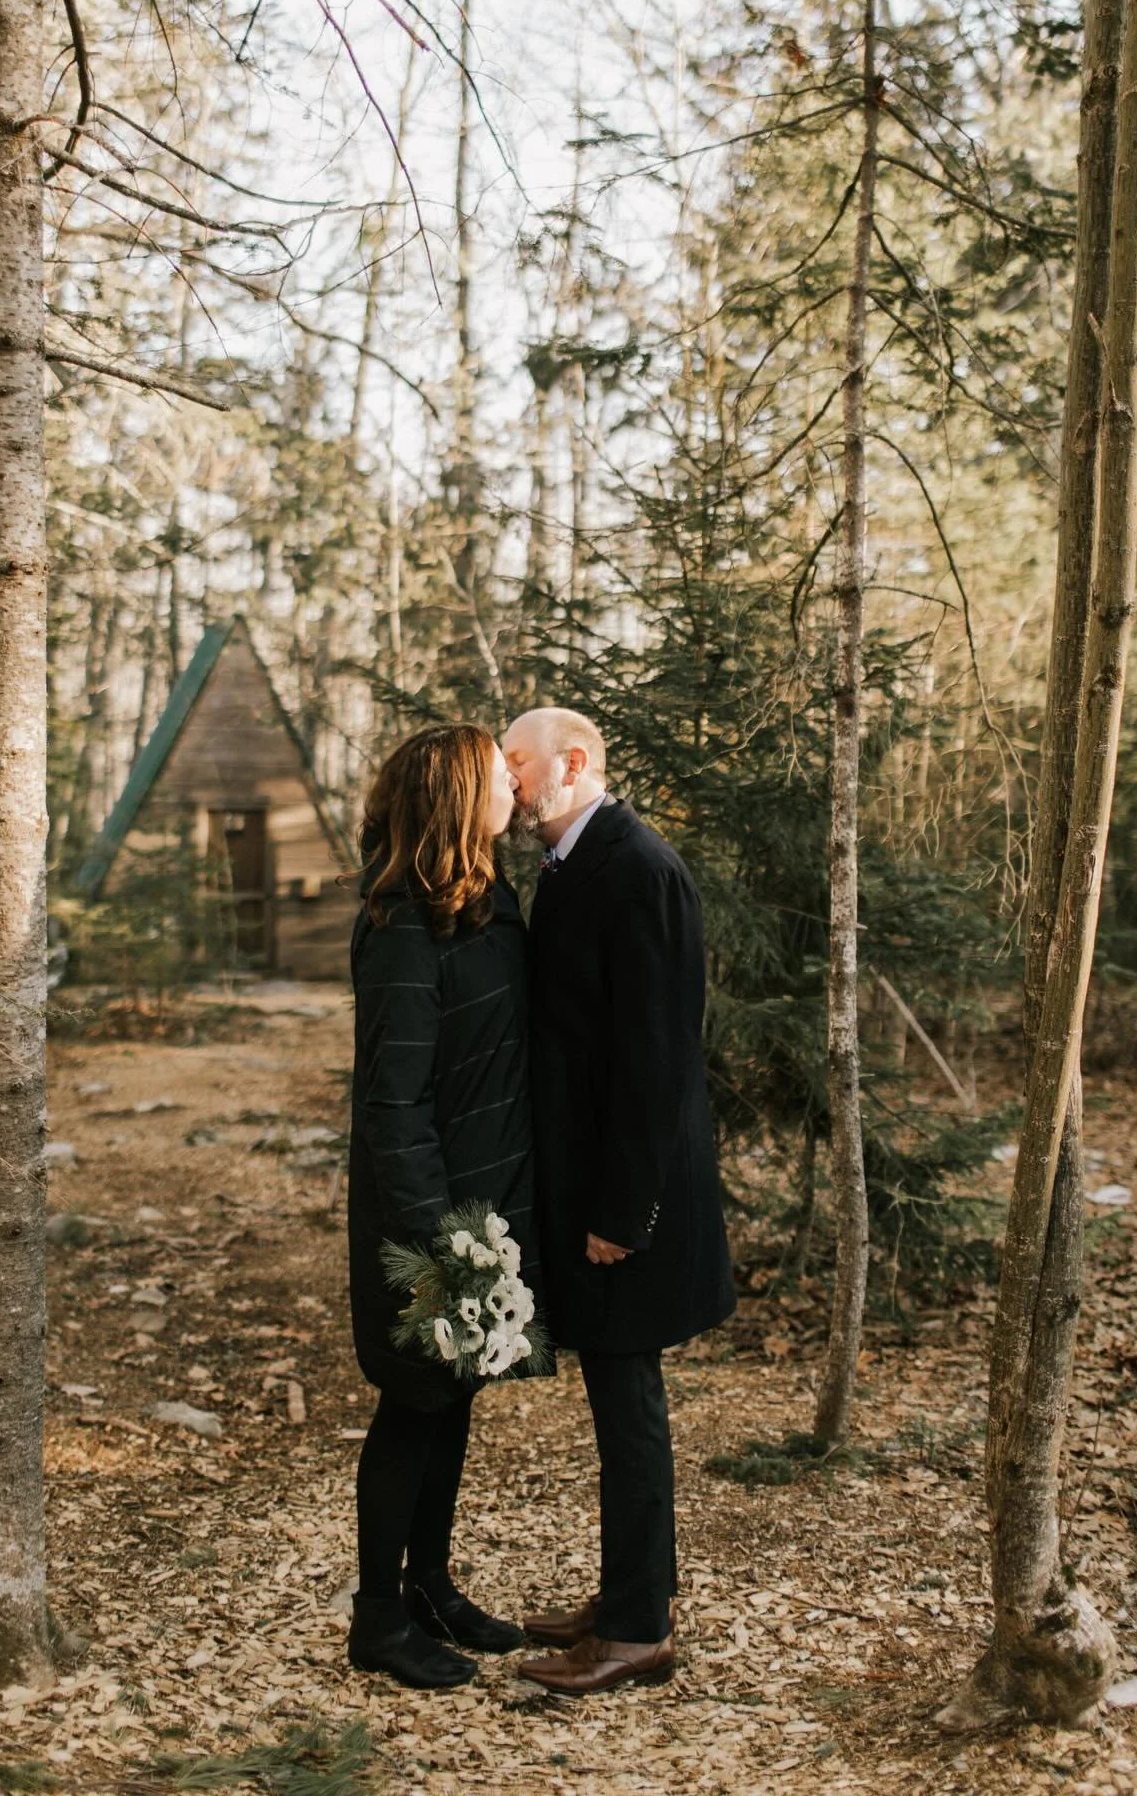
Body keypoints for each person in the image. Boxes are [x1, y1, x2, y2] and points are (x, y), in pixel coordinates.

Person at [502, 706, 736, 1696]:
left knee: (628, 1405)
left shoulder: (639, 870)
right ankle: (636, 1590)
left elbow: (655, 1062)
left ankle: (638, 1630)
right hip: (597, 1192)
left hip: (627, 1206)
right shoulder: (569, 864)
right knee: (618, 1399)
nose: (508, 782)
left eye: (518, 763)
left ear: (575, 761)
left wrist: (622, 1215)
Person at [345, 722, 541, 1690]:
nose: (515, 784)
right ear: (461, 798)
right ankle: (377, 1617)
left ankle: (433, 1588)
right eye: (498, 777)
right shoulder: (401, 928)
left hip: (485, 1202)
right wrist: (444, 1241)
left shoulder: (484, 901)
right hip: (427, 1220)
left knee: (453, 1399)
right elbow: (394, 1105)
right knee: (412, 1407)